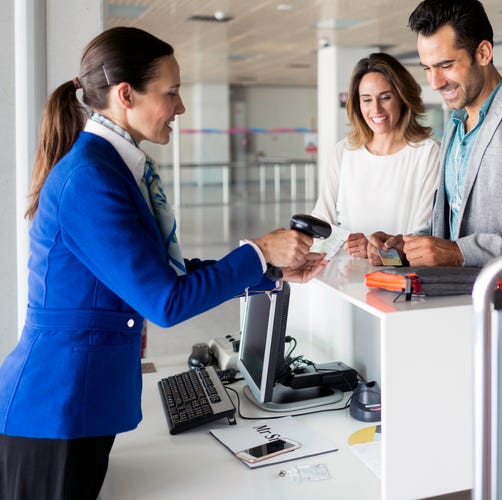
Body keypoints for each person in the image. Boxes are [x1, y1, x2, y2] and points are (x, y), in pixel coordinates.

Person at [0, 27, 325, 500]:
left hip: (77, 404)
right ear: (125, 94)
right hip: (54, 409)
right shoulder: (91, 177)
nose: (181, 107)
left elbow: (162, 274)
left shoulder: (112, 168)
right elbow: (164, 301)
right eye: (171, 93)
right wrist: (257, 251)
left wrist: (269, 270)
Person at [367, 0, 502, 311]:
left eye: (445, 66)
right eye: (427, 68)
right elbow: (454, 226)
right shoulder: (454, 126)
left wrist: (460, 252)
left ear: (483, 53)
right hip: (456, 314)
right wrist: (408, 247)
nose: (435, 82)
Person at [311, 52, 441, 259]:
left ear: (402, 98)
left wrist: (379, 253)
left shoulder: (428, 153)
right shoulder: (343, 152)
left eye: (385, 97)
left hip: (401, 282)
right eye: (366, 99)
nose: (376, 109)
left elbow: (424, 240)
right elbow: (321, 226)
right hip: (345, 281)